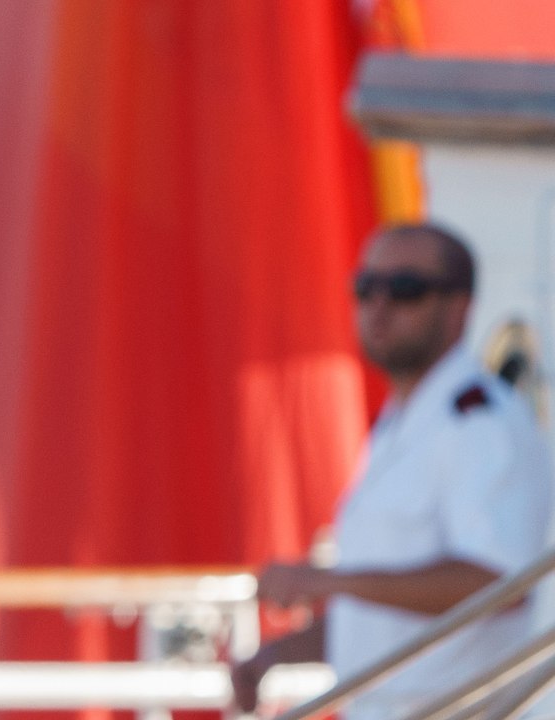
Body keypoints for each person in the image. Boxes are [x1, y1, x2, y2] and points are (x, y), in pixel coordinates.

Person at [230, 223, 553, 718]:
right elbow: (384, 611)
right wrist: (278, 654)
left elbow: (496, 587)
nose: (379, 306)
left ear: (458, 308)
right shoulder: (404, 420)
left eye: (405, 289)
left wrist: (328, 582)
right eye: (365, 288)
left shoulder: (481, 424)